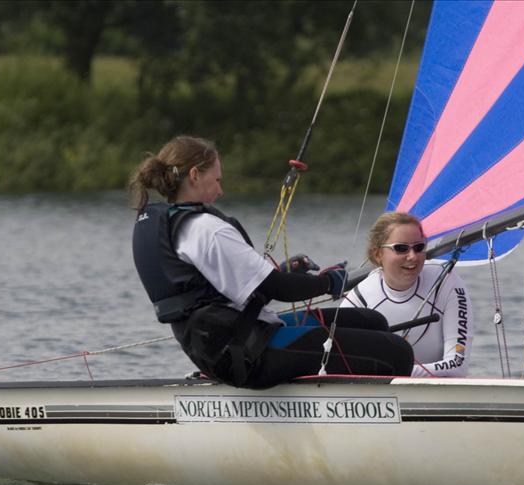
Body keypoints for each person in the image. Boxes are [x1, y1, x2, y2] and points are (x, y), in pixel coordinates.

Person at [130, 136, 413, 388]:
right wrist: (328, 283)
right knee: (397, 352)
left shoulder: (167, 226)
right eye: (217, 180)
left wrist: (284, 272)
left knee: (370, 321)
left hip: (220, 344)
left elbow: (231, 287)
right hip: (248, 353)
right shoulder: (208, 230)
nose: (221, 190)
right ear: (194, 175)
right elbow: (278, 288)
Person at [341, 212, 473, 377]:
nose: (412, 257)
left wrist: (394, 371)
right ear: (378, 254)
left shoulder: (446, 282)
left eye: (419, 247)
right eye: (401, 248)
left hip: (437, 391)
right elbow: (342, 364)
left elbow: (457, 366)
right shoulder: (360, 298)